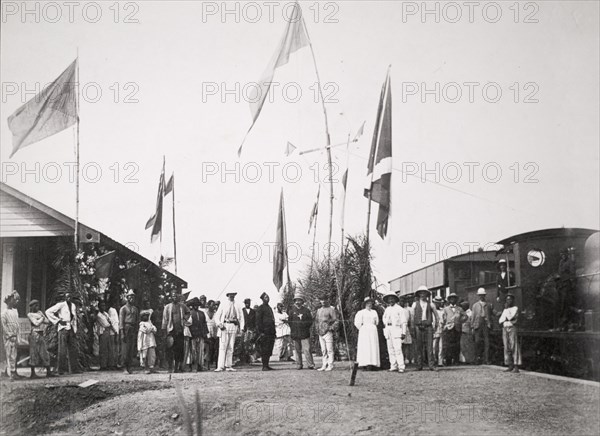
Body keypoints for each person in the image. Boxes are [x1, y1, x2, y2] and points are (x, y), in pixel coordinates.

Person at [46, 292, 82, 375]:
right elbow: (48, 312)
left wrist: (75, 330)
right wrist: (58, 321)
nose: (68, 298)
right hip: (63, 328)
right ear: (65, 298)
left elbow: (74, 318)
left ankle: (74, 369)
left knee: (73, 349)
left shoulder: (73, 305)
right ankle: (61, 370)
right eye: (67, 297)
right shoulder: (61, 305)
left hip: (71, 327)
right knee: (62, 350)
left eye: (70, 297)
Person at [411, 286, 439, 371]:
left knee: (430, 346)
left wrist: (435, 326)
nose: (423, 295)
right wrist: (412, 327)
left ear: (427, 295)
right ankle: (419, 365)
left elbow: (437, 316)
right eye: (421, 293)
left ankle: (431, 365)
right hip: (418, 326)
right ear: (419, 294)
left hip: (428, 326)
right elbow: (412, 317)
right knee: (418, 346)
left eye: (424, 293)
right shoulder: (415, 304)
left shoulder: (431, 304)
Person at [214, 292, 244, 372]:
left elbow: (241, 317)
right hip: (225, 326)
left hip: (233, 326)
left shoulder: (237, 304)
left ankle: (229, 365)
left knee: (231, 347)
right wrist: (219, 324)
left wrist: (241, 327)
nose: (232, 296)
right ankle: (220, 366)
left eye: (233, 295)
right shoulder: (223, 304)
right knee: (223, 346)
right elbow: (217, 316)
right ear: (227, 295)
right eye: (230, 295)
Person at [162, 292, 190, 373]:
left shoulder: (182, 306)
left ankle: (177, 367)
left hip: (179, 331)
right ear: (171, 297)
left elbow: (188, 312)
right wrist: (164, 331)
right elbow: (164, 319)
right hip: (170, 331)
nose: (175, 298)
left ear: (178, 298)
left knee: (179, 350)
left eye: (176, 296)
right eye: (173, 296)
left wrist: (185, 319)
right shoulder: (167, 307)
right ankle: (170, 367)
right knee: (170, 350)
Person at [27, 300, 54, 378]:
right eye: (35, 305)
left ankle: (48, 372)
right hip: (34, 334)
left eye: (38, 305)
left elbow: (47, 321)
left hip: (41, 334)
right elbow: (36, 323)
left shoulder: (39, 313)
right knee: (33, 354)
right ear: (32, 307)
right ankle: (33, 374)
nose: (37, 307)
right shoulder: (30, 314)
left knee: (45, 353)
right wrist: (41, 318)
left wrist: (41, 317)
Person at [382, 291, 408, 373]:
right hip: (388, 330)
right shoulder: (387, 309)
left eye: (392, 299)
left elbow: (404, 322)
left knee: (398, 349)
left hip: (396, 330)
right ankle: (393, 365)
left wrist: (403, 332)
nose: (390, 301)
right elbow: (384, 319)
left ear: (395, 299)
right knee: (390, 349)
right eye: (389, 299)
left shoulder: (400, 309)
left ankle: (401, 366)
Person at [289, 294, 314, 370]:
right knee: (297, 350)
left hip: (304, 333)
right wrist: (294, 329)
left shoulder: (306, 310)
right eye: (296, 300)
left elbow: (310, 321)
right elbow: (290, 322)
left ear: (302, 301)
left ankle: (310, 364)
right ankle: (299, 364)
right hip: (295, 333)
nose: (297, 302)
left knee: (307, 349)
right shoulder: (291, 311)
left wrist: (304, 327)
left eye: (299, 300)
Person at [441, 293, 467, 366]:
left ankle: (456, 360)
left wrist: (460, 321)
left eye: (454, 298)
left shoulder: (459, 309)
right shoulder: (446, 309)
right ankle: (448, 360)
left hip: (457, 328)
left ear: (456, 300)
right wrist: (446, 324)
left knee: (457, 344)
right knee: (448, 345)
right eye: (451, 298)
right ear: (449, 300)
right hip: (448, 329)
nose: (452, 300)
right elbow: (443, 318)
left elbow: (465, 316)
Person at [354, 297, 380, 370]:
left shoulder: (374, 312)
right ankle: (364, 363)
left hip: (373, 330)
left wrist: (372, 326)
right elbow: (357, 323)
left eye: (370, 303)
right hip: (364, 331)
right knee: (365, 346)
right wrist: (362, 328)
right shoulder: (361, 312)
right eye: (368, 303)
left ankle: (373, 364)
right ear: (365, 304)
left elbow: (377, 322)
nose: (369, 304)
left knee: (373, 346)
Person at [2, 291, 23, 379]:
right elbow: (4, 326)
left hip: (14, 336)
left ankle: (13, 372)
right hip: (8, 337)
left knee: (13, 355)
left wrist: (18, 336)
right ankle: (6, 373)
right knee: (7, 354)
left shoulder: (15, 312)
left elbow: (17, 325)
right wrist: (9, 335)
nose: (14, 301)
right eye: (12, 300)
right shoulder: (4, 313)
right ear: (8, 301)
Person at [499, 293, 522, 373]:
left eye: (510, 299)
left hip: (512, 328)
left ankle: (516, 366)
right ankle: (510, 365)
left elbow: (510, 317)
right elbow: (501, 320)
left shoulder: (515, 308)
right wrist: (505, 317)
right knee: (506, 347)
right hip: (505, 328)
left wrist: (506, 313)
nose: (508, 301)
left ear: (512, 300)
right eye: (507, 299)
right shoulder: (505, 310)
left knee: (514, 346)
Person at [315, 295, 338, 371]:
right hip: (320, 332)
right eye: (321, 300)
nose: (323, 301)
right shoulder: (319, 310)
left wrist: (330, 328)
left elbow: (336, 320)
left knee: (329, 350)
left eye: (325, 299)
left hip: (327, 331)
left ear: (327, 300)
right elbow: (317, 321)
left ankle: (330, 365)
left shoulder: (331, 309)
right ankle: (324, 365)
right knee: (323, 350)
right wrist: (317, 329)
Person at [119, 290, 139, 374]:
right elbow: (121, 321)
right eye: (130, 297)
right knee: (125, 349)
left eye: (133, 297)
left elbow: (137, 320)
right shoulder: (123, 308)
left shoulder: (135, 309)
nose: (131, 299)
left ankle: (129, 366)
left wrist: (137, 330)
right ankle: (124, 367)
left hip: (133, 328)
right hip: (126, 328)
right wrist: (122, 332)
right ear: (127, 298)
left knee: (131, 349)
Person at [556, 248, 576, 331]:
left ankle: (568, 323)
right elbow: (560, 272)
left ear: (566, 254)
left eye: (564, 254)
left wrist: (571, 282)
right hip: (561, 285)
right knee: (561, 304)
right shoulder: (561, 262)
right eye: (561, 254)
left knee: (566, 303)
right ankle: (562, 324)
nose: (562, 255)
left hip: (566, 284)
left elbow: (572, 273)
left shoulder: (569, 262)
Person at [186, 297, 209, 372]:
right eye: (194, 305)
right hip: (192, 334)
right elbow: (187, 324)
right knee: (192, 350)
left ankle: (200, 365)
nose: (196, 306)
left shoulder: (201, 313)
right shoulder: (189, 313)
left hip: (201, 334)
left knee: (200, 350)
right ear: (192, 305)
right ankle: (192, 366)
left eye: (197, 305)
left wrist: (205, 334)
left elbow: (204, 324)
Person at [255, 292, 276, 371]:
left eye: (268, 297)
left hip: (271, 332)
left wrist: (274, 332)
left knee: (269, 349)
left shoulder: (269, 308)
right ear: (262, 299)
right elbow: (258, 321)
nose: (267, 299)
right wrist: (261, 332)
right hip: (264, 332)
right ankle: (264, 366)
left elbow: (272, 321)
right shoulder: (260, 308)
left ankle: (267, 365)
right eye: (266, 297)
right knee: (265, 349)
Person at [471, 288, 493, 365]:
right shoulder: (475, 305)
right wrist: (472, 326)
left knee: (487, 342)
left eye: (483, 295)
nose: (481, 296)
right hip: (477, 323)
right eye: (480, 295)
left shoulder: (489, 304)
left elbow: (492, 313)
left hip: (486, 323)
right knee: (477, 342)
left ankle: (486, 359)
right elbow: (473, 316)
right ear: (478, 296)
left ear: (485, 296)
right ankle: (477, 359)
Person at [95, 300, 116, 371]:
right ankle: (103, 365)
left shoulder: (106, 314)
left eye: (104, 306)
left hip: (108, 332)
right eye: (101, 306)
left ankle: (109, 364)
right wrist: (110, 325)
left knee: (109, 348)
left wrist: (111, 325)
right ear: (99, 307)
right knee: (103, 349)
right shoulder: (99, 315)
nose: (103, 307)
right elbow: (106, 324)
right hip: (102, 332)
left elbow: (110, 321)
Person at [138, 310, 157, 374]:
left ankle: (151, 367)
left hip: (151, 340)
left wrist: (152, 328)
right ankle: (144, 367)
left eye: (147, 316)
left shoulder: (150, 323)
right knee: (144, 355)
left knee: (152, 355)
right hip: (144, 341)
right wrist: (151, 328)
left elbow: (155, 330)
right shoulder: (141, 324)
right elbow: (146, 331)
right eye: (144, 316)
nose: (145, 317)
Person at [398, 294, 413, 365]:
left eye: (403, 301)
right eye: (400, 301)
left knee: (407, 344)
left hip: (406, 328)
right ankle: (401, 358)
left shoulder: (407, 310)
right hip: (398, 328)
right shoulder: (397, 309)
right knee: (400, 344)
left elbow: (410, 320)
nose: (401, 303)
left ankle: (407, 358)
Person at [106, 296, 121, 370]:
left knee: (116, 348)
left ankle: (115, 363)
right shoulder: (111, 310)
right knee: (112, 348)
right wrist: (115, 331)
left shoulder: (115, 310)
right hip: (113, 332)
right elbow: (111, 322)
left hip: (116, 331)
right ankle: (112, 364)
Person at [241, 298, 257, 365]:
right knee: (244, 344)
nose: (248, 304)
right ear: (244, 303)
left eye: (249, 303)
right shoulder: (242, 311)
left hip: (251, 329)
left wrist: (254, 329)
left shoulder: (253, 311)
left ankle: (251, 359)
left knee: (250, 344)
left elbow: (255, 320)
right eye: (246, 303)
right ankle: (244, 359)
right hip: (244, 330)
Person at [205, 300, 218, 369]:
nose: (213, 306)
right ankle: (207, 365)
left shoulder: (216, 313)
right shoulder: (205, 313)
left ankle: (215, 364)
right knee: (207, 349)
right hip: (207, 333)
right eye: (212, 305)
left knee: (214, 349)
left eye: (214, 305)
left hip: (214, 333)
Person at [432, 296, 444, 367]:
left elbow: (444, 319)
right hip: (434, 329)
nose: (438, 304)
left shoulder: (442, 311)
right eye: (436, 303)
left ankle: (440, 361)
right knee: (433, 346)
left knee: (441, 346)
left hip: (441, 329)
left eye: (439, 303)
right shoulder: (432, 311)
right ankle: (433, 360)